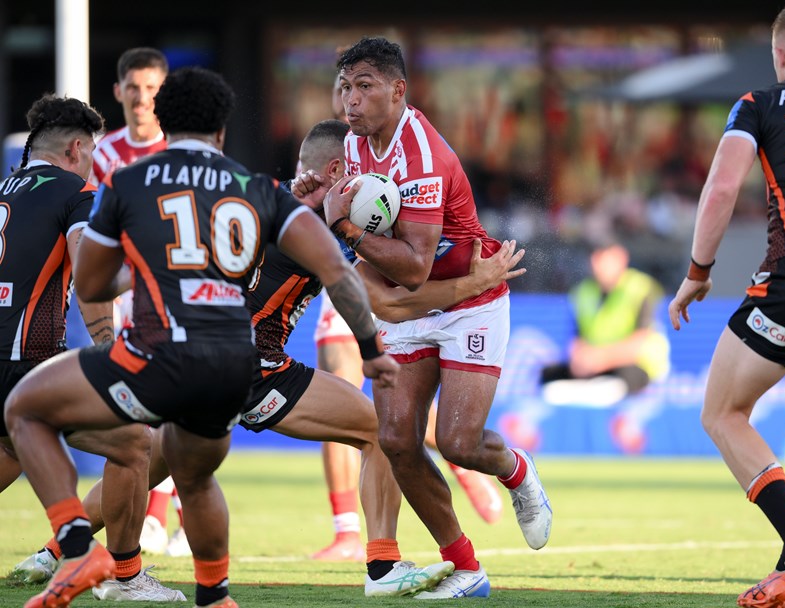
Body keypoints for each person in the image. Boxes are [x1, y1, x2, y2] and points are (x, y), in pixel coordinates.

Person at [12, 117, 525, 597]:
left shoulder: (268, 199)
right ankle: (383, 567)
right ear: (338, 171)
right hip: (251, 364)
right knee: (376, 431)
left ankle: (52, 551)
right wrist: (474, 281)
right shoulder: (318, 220)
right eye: (359, 169)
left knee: (147, 460)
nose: (371, 179)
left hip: (193, 352)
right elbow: (385, 301)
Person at [4, 66, 399, 608]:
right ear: (221, 131)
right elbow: (338, 270)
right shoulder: (257, 188)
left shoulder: (128, 182)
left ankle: (77, 547)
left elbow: (94, 282)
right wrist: (372, 351)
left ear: (162, 124)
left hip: (158, 357)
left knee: (29, 410)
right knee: (191, 474)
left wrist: (142, 268)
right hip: (234, 361)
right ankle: (214, 596)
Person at [314, 36, 553, 598]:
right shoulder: (353, 145)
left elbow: (417, 267)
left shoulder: (420, 153)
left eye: (364, 86)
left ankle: (517, 471)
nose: (350, 99)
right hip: (410, 304)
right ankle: (466, 569)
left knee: (458, 443)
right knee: (395, 438)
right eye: (344, 86)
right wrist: (326, 211)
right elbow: (388, 281)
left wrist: (343, 228)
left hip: (468, 302)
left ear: (399, 91)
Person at [667, 4, 785, 608]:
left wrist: (697, 272)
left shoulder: (759, 103)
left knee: (721, 413)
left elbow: (720, 187)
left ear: (780, 56)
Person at [0, 93, 185, 602]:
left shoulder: (3, 190)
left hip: (8, 364)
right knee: (134, 444)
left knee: (12, 452)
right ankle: (125, 577)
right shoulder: (77, 193)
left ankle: (70, 555)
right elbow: (90, 279)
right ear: (77, 148)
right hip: (27, 366)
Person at [91, 45, 189, 559]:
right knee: (141, 415)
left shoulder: (181, 149)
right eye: (134, 88)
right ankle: (159, 521)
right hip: (126, 297)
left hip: (175, 299)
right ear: (118, 92)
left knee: (168, 411)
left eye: (152, 88)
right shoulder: (103, 155)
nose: (143, 98)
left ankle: (157, 520)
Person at [540, 239, 670, 407]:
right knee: (549, 374)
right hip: (596, 366)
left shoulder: (641, 288)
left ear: (621, 258)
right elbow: (577, 338)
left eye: (604, 259)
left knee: (627, 377)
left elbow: (640, 341)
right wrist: (580, 360)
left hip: (633, 365)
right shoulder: (583, 291)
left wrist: (600, 359)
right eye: (596, 258)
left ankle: (591, 392)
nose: (598, 265)